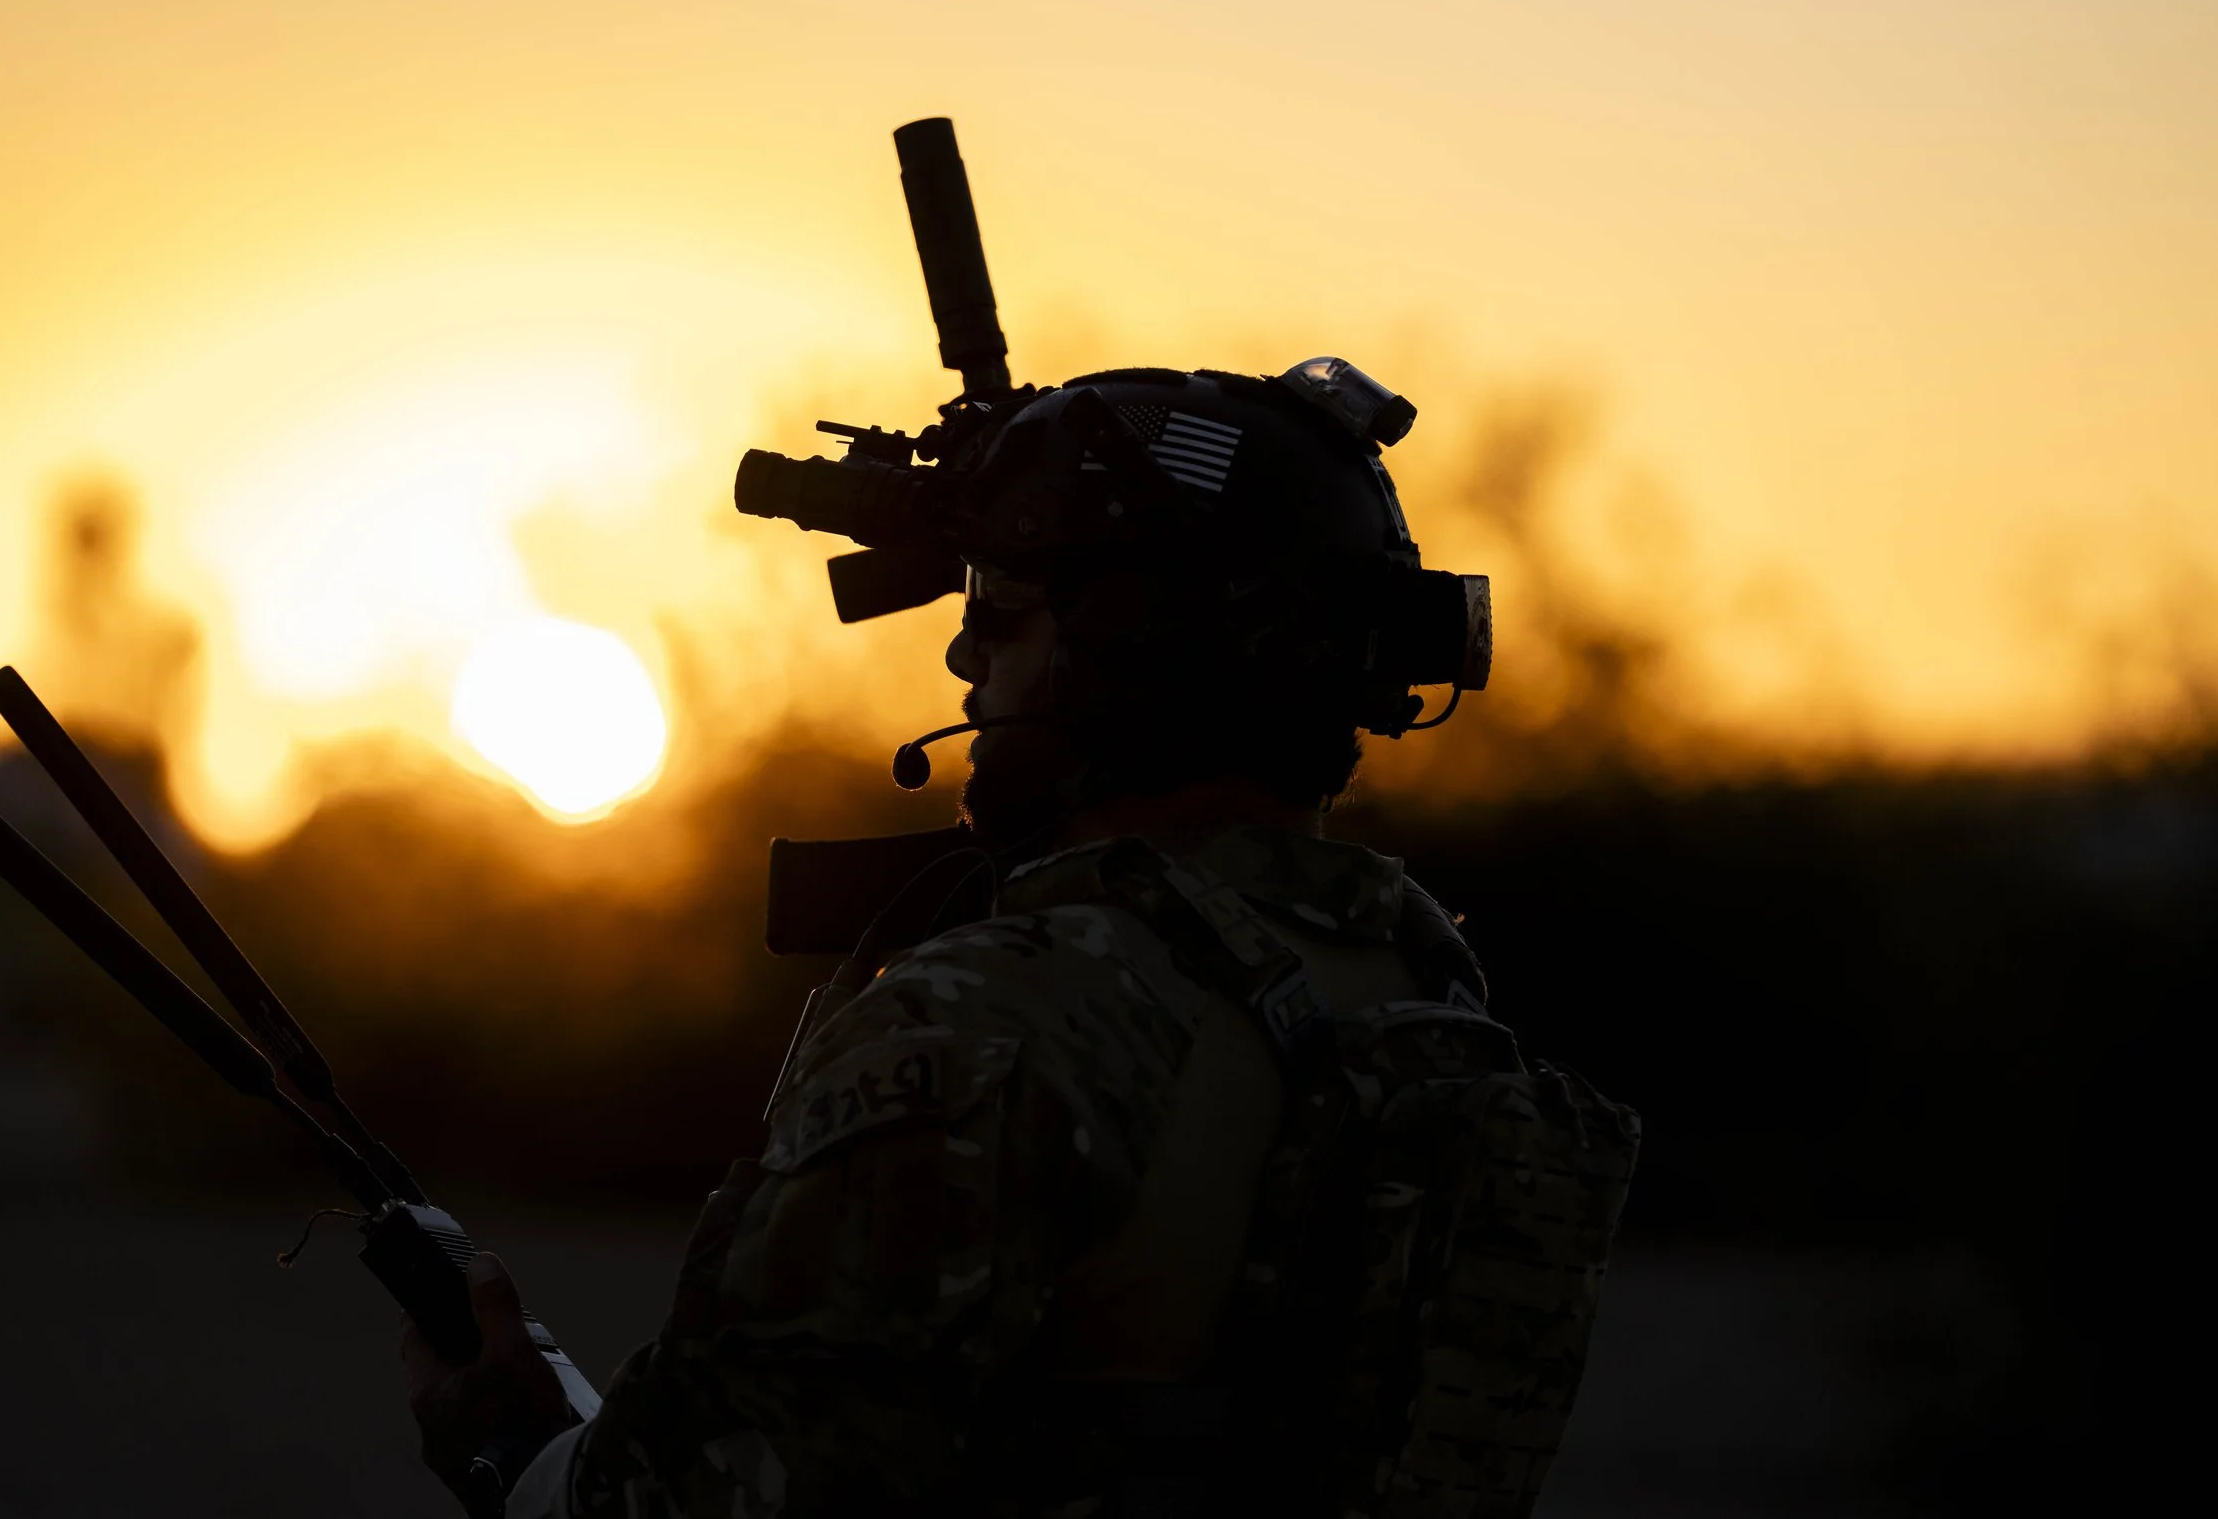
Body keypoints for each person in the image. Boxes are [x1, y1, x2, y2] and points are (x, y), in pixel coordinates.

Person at [405, 361, 1639, 1517]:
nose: (959, 650)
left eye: (1000, 606)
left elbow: (730, 1489)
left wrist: (519, 1453)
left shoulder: (998, 1014)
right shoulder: (1422, 990)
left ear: (1132, 644)